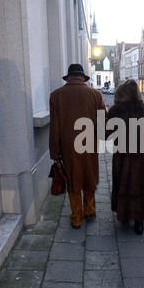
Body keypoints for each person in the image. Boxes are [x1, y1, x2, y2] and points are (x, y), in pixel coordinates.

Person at [49, 64, 107, 229]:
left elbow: (54, 129)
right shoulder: (96, 95)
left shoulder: (56, 96)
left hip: (68, 147)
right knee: (89, 176)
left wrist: (55, 154)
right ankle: (90, 210)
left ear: (67, 79)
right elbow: (103, 126)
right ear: (83, 78)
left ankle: (77, 218)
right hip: (89, 143)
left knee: (73, 180)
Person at [108, 80, 144, 235]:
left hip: (123, 159)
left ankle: (125, 216)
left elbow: (104, 135)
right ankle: (139, 222)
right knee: (142, 188)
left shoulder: (115, 111)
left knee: (123, 185)